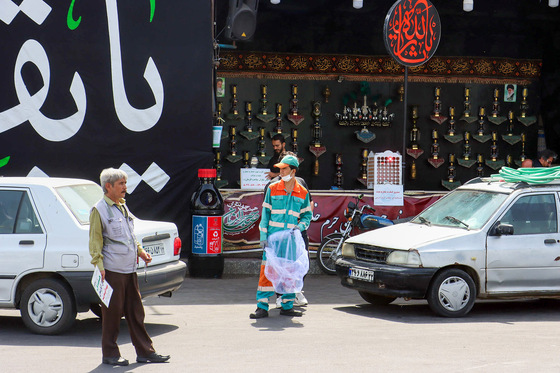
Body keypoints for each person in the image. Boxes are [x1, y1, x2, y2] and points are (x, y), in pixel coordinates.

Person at [89, 168, 170, 366]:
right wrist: (99, 266)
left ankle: (145, 351)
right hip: (112, 269)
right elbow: (95, 241)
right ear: (108, 186)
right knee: (112, 313)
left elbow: (130, 237)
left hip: (129, 269)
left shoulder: (123, 206)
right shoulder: (99, 210)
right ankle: (110, 354)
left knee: (136, 311)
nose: (125, 187)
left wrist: (141, 252)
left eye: (125, 183)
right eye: (121, 184)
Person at [251, 155, 313, 319]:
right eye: (280, 169)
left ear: (293, 171)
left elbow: (307, 215)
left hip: (291, 240)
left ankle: (287, 305)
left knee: (289, 272)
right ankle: (262, 307)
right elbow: (265, 215)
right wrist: (263, 236)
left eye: (284, 169)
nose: (280, 171)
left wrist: (300, 227)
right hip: (272, 239)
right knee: (266, 273)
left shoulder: (303, 192)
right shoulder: (272, 188)